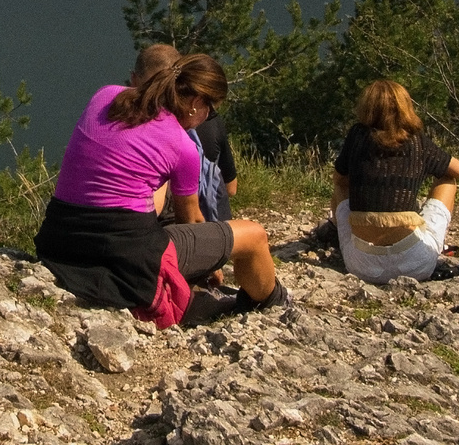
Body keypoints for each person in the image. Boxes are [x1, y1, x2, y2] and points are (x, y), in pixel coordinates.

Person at [36, 48, 288, 325]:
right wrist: (209, 261)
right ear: (195, 102)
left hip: (60, 241)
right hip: (125, 258)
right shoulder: (182, 146)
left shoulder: (105, 95)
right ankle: (274, 302)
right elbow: (190, 219)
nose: (208, 116)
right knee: (254, 235)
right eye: (210, 108)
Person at [329, 79, 459, 285]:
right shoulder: (417, 140)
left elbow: (339, 178)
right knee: (448, 180)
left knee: (340, 185)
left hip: (362, 266)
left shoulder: (357, 136)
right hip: (416, 264)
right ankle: (427, 238)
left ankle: (337, 228)